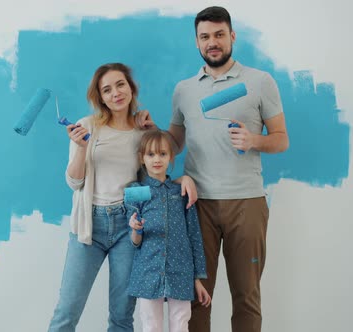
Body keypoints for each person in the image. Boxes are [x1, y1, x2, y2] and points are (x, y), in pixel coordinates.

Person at [138, 6, 289, 332]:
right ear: (197, 43)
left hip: (246, 203)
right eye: (205, 37)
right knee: (195, 296)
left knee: (246, 296)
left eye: (219, 34)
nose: (213, 42)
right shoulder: (185, 90)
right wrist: (155, 131)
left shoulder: (260, 82)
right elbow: (176, 144)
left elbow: (281, 140)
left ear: (232, 36)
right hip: (195, 206)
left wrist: (253, 140)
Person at [48, 63, 197, 332]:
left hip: (129, 227)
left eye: (120, 85)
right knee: (67, 312)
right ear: (100, 97)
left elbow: (159, 170)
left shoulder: (142, 132)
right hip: (89, 226)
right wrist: (82, 148)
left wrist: (181, 180)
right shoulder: (86, 127)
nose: (115, 93)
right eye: (107, 90)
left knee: (121, 316)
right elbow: (74, 182)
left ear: (131, 88)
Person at [125, 129, 211, 332]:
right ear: (142, 158)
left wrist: (197, 279)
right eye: (151, 154)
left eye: (162, 154)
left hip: (181, 271)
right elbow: (134, 242)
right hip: (148, 271)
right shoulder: (135, 191)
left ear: (171, 157)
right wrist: (135, 229)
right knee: (151, 325)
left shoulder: (181, 191)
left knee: (181, 322)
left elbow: (194, 236)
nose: (157, 159)